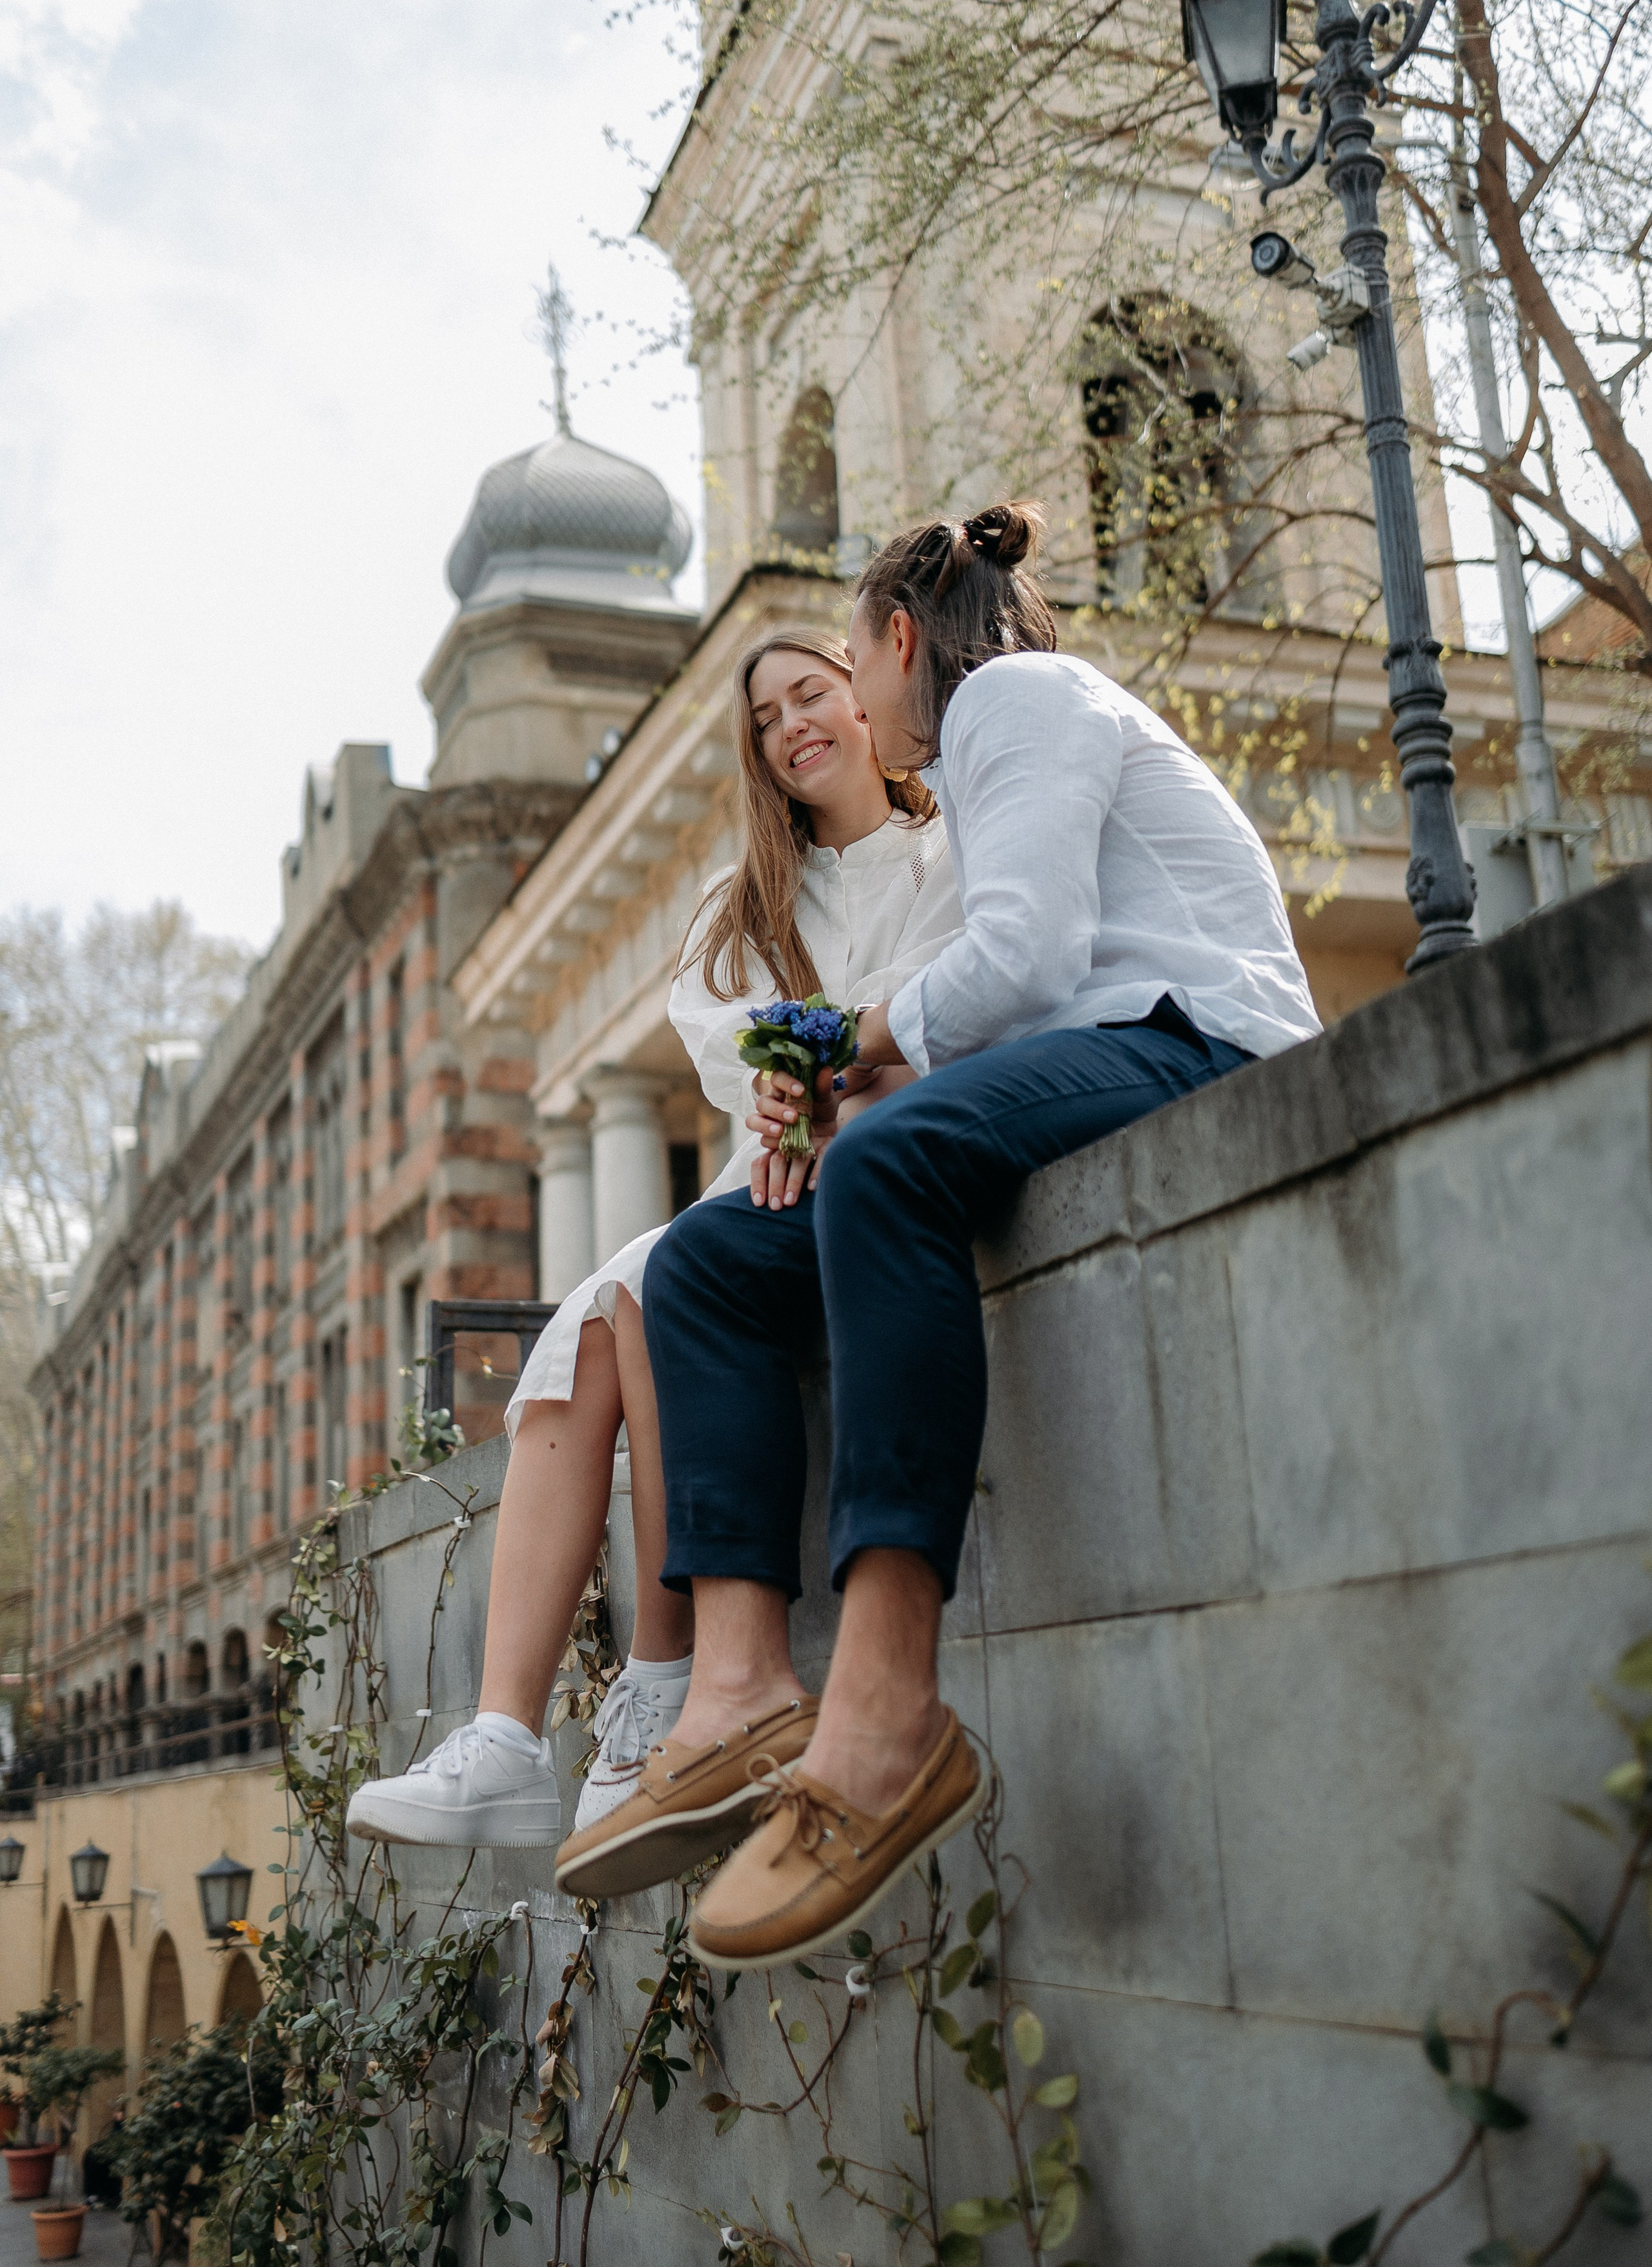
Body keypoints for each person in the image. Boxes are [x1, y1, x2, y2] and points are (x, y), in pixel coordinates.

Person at [554, 502, 1322, 1963]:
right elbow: (1000, 998)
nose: (842, 702)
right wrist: (837, 1086)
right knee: (703, 1267)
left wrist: (847, 1047)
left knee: (885, 1161)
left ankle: (888, 1703)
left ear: (900, 642)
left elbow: (1021, 963)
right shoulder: (981, 753)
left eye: (845, 664)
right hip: (1084, 1059)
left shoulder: (1020, 700)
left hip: (1198, 1036)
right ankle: (736, 1688)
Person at [344, 629, 962, 1852]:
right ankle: (508, 1739)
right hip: (776, 1171)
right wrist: (796, 1076)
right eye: (767, 718)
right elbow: (736, 1052)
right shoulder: (741, 910)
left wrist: (835, 1066)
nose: (793, 724)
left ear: (866, 694)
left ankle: (664, 1683)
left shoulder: (952, 846)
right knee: (593, 1315)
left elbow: (963, 997)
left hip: (892, 1157)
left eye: (812, 695)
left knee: (663, 1284)